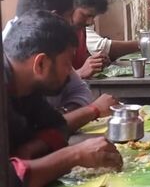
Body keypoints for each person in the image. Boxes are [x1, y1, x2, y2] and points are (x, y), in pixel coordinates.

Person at [5, 11, 122, 187]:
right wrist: (75, 155)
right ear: (41, 64)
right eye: (67, 64)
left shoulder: (26, 88)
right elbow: (8, 178)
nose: (71, 72)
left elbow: (57, 125)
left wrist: (29, 149)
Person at [2, 0, 118, 131]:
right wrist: (92, 111)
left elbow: (79, 92)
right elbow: (19, 154)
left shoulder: (42, 56)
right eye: (70, 16)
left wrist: (60, 116)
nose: (72, 23)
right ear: (52, 18)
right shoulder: (25, 60)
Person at [70, 0, 110, 79]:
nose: (90, 22)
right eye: (86, 15)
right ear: (71, 6)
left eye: (93, 17)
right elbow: (48, 86)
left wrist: (95, 61)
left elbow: (81, 60)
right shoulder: (52, 34)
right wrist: (79, 73)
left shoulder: (80, 29)